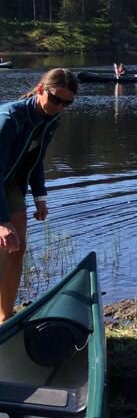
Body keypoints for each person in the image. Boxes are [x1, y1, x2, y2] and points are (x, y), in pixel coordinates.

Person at [0, 68, 78, 323]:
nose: (59, 107)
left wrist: (40, 197)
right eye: (56, 99)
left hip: (9, 181)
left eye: (67, 103)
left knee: (16, 247)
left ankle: (5, 316)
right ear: (41, 89)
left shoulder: (51, 119)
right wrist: (2, 221)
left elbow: (36, 158)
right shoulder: (9, 118)